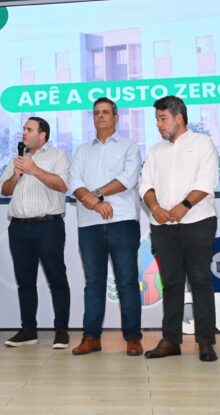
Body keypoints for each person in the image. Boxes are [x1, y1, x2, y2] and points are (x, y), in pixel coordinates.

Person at [139, 96, 219, 362]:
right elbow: (145, 185)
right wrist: (155, 208)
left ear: (179, 118)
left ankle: (205, 341)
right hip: (163, 227)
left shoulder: (202, 143)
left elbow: (207, 181)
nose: (158, 125)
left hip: (198, 222)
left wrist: (184, 206)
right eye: (157, 120)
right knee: (171, 283)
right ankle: (171, 340)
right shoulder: (155, 151)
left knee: (200, 280)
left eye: (163, 119)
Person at [69, 97, 143, 357]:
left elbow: (127, 179)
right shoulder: (82, 150)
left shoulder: (129, 146)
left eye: (105, 112)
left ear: (116, 117)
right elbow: (74, 181)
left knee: (127, 282)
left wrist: (96, 195)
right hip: (89, 223)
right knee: (93, 283)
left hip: (122, 221)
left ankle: (133, 337)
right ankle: (91, 337)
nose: (100, 116)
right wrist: (93, 202)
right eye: (96, 113)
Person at [0, 117, 71, 349]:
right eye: (23, 129)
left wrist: (34, 170)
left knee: (56, 278)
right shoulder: (17, 159)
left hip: (48, 226)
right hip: (19, 227)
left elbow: (62, 185)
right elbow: (4, 190)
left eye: (29, 129)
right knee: (25, 281)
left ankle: (61, 331)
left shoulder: (57, 156)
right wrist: (17, 174)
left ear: (42, 135)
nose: (24, 133)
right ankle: (28, 330)